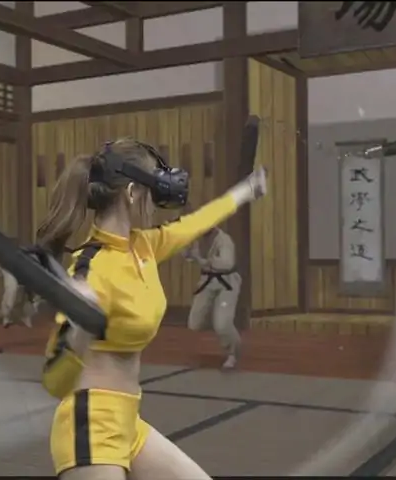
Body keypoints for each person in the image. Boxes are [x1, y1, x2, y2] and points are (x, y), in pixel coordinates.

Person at [35, 138, 267, 480]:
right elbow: (55, 380)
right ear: (132, 193)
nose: (157, 203)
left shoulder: (142, 246)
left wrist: (246, 191)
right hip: (91, 427)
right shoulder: (90, 269)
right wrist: (77, 331)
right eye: (152, 191)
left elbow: (196, 223)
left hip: (128, 422)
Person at [184, 227, 242, 369]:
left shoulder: (224, 240)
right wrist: (186, 249)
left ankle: (233, 353)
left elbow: (227, 264)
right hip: (207, 281)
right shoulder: (197, 238)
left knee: (222, 324)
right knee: (194, 323)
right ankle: (219, 320)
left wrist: (203, 260)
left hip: (227, 282)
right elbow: (188, 257)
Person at [0, 261, 38, 328]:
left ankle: (26, 315)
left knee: (35, 291)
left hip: (26, 265)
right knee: (11, 289)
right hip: (10, 265)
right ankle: (6, 316)